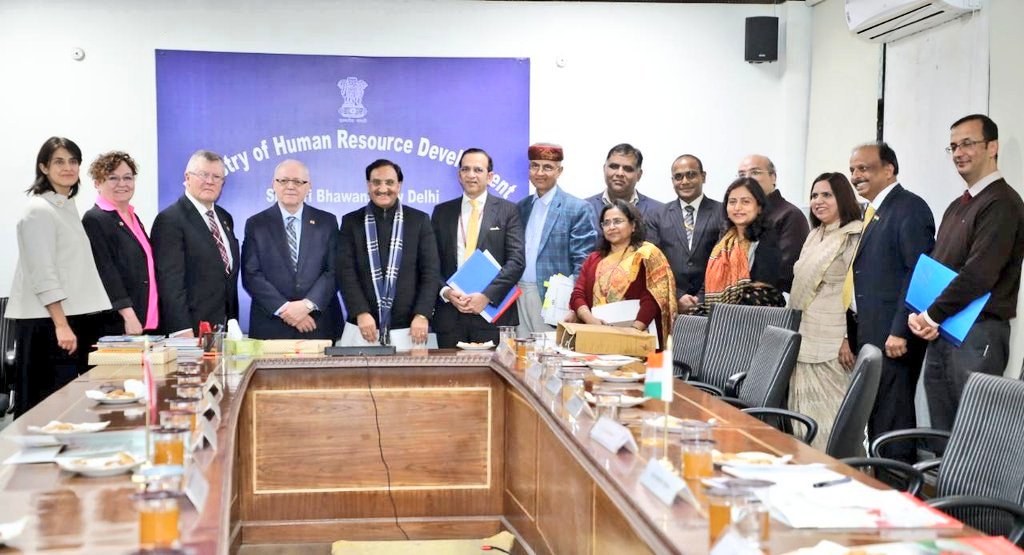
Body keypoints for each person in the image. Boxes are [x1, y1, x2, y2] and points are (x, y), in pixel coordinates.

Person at [909, 114, 1024, 431]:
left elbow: (979, 274)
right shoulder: (957, 205)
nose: (959, 153)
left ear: (992, 147)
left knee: (975, 434)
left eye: (968, 144)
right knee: (942, 434)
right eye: (953, 147)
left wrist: (930, 316)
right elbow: (938, 264)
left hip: (977, 334)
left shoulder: (1002, 203)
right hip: (943, 330)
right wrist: (920, 313)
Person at [7, 137, 113, 415]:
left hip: (67, 320)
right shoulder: (38, 210)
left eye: (73, 161)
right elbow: (43, 273)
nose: (68, 167)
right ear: (44, 167)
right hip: (48, 324)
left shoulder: (65, 206)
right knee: (46, 409)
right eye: (59, 161)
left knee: (69, 408)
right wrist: (61, 325)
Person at [846, 142, 934, 461]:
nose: (856, 175)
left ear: (888, 169)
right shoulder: (871, 212)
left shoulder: (909, 207)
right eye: (852, 169)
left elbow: (918, 273)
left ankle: (897, 485)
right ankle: (880, 481)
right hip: (871, 332)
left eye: (864, 168)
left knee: (893, 421)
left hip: (894, 337)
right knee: (877, 419)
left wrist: (900, 330)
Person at [787, 173, 863, 452]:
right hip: (803, 336)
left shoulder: (853, 235)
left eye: (827, 195)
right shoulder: (815, 235)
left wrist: (848, 337)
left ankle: (841, 475)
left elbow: (857, 292)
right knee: (802, 422)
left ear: (843, 198)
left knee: (831, 424)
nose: (818, 201)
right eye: (814, 195)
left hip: (833, 342)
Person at [337, 159, 440, 344]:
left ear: (399, 185)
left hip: (410, 327)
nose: (383, 188)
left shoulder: (419, 221)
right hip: (362, 326)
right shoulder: (351, 222)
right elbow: (345, 272)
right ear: (368, 185)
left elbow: (430, 272)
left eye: (389, 182)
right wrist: (360, 312)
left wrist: (422, 314)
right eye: (376, 182)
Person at [432, 148, 525, 347]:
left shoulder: (508, 211)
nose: (471, 175)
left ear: (490, 177)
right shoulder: (442, 212)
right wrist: (446, 292)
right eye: (465, 169)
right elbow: (431, 263)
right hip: (451, 315)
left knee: (494, 369)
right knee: (449, 369)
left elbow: (516, 261)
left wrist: (487, 296)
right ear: (459, 175)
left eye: (478, 170)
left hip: (493, 314)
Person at [242, 159, 342, 340]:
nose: (290, 186)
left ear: (308, 186)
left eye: (298, 181)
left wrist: (306, 306)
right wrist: (286, 310)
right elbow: (251, 274)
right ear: (273, 184)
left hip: (318, 324)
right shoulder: (256, 224)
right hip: (271, 326)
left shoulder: (327, 222)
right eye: (283, 180)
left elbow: (334, 271)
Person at [152, 150, 240, 336]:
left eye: (216, 176)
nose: (210, 181)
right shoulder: (170, 220)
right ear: (187, 177)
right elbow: (170, 282)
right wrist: (181, 330)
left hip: (223, 328)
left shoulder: (225, 218)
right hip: (190, 331)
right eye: (203, 174)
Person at [568, 200, 676, 348]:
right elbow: (578, 294)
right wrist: (590, 320)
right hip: (596, 335)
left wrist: (634, 330)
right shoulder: (593, 259)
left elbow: (654, 296)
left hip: (637, 337)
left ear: (633, 225)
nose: (611, 227)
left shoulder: (646, 254)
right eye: (606, 223)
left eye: (618, 221)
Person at [516, 143, 597, 335]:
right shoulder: (521, 207)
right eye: (534, 166)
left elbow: (582, 264)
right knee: (520, 353)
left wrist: (576, 306)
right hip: (518, 296)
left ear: (559, 171)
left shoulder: (577, 208)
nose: (540, 173)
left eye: (547, 167)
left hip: (554, 301)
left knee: (550, 353)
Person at [81, 151, 158, 336]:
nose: (122, 184)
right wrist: (128, 316)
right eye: (113, 178)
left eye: (128, 178)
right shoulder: (95, 219)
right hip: (119, 322)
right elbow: (106, 271)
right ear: (97, 183)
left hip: (146, 318)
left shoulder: (132, 216)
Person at [647, 154, 725, 314]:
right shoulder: (657, 215)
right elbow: (653, 263)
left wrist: (701, 298)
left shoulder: (723, 212)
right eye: (678, 177)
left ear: (703, 176)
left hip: (713, 303)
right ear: (672, 181)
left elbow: (724, 259)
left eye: (691, 174)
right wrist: (677, 296)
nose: (685, 181)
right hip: (670, 305)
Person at [698, 177, 786, 313]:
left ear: (759, 207)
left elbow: (764, 289)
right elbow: (707, 284)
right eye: (732, 202)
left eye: (746, 202)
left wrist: (725, 313)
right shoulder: (724, 242)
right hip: (720, 314)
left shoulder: (767, 239)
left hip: (754, 314)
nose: (737, 207)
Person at [737, 155, 809, 292]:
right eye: (741, 175)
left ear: (773, 177)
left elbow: (785, 269)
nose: (747, 179)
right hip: (730, 296)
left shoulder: (789, 215)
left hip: (764, 298)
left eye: (755, 172)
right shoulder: (739, 215)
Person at [585, 143, 661, 230]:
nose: (619, 173)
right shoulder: (585, 208)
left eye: (628, 169)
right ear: (604, 169)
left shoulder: (657, 211)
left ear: (639, 175)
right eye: (614, 167)